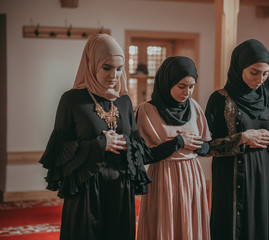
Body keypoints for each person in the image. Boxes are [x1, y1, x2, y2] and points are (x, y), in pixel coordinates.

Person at [39, 33, 153, 240]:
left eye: (119, 69)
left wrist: (127, 143)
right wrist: (100, 143)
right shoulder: (72, 100)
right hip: (86, 190)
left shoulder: (124, 101)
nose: (114, 75)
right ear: (91, 65)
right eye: (107, 67)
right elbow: (59, 151)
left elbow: (137, 144)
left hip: (120, 187)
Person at [205, 39, 269, 240]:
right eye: (254, 72)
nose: (260, 79)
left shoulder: (268, 98)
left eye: (265, 73)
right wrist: (240, 138)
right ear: (239, 67)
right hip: (233, 175)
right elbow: (206, 147)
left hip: (267, 174)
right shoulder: (220, 99)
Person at [136, 56, 212, 240]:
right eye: (181, 86)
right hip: (163, 177)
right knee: (165, 227)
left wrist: (197, 146)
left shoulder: (194, 107)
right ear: (167, 82)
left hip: (192, 176)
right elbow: (143, 156)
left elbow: (207, 146)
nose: (187, 92)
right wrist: (177, 143)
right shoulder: (146, 110)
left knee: (190, 228)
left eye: (191, 86)